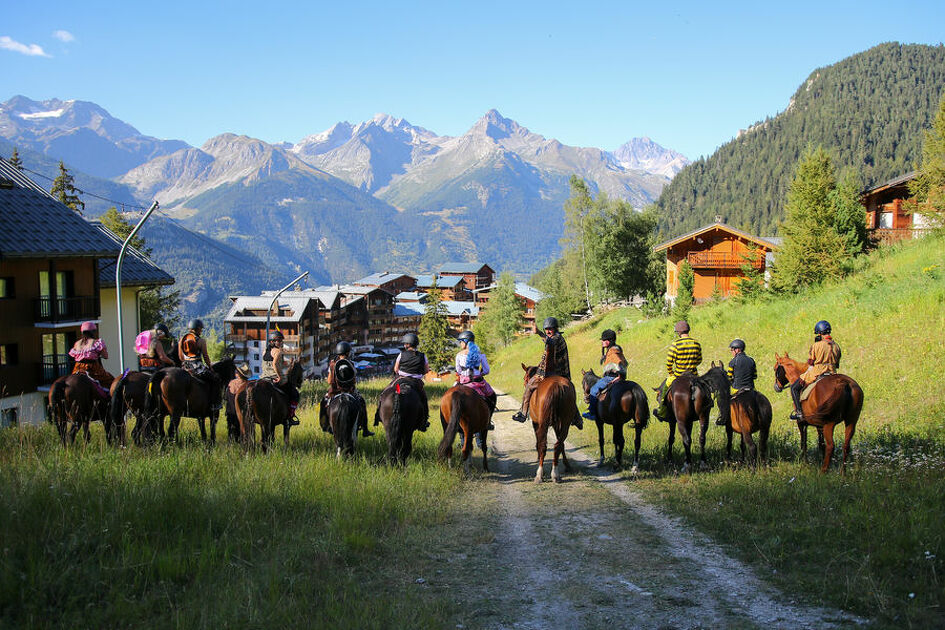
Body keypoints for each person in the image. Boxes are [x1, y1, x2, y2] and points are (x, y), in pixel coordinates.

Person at [511, 317, 582, 429]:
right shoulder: (555, 337)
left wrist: (539, 333)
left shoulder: (557, 338)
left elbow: (550, 342)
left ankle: (523, 413)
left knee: (529, 385)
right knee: (569, 391)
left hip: (552, 373)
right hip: (563, 374)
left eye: (551, 329)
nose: (548, 331)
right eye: (546, 329)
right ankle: (577, 417)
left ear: (556, 329)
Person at [790, 320, 842, 421]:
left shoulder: (816, 345)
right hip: (832, 373)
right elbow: (837, 364)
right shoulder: (837, 346)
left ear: (820, 333)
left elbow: (811, 362)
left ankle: (799, 413)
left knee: (794, 388)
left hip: (818, 372)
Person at [320, 340, 374, 437]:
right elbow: (354, 380)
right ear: (348, 352)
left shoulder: (332, 364)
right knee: (361, 402)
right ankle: (365, 429)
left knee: (324, 402)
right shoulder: (351, 363)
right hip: (350, 390)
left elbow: (329, 381)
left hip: (335, 391)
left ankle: (325, 425)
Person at [653, 320, 703, 422]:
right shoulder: (696, 343)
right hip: (694, 375)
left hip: (678, 375)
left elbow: (669, 362)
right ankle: (707, 405)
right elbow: (699, 360)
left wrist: (671, 373)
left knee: (665, 388)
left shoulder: (675, 344)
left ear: (679, 332)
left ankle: (662, 411)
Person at [582, 329, 628, 422]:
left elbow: (618, 362)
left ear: (609, 341)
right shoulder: (615, 348)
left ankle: (593, 413)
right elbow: (625, 362)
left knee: (594, 390)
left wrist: (620, 375)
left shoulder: (612, 351)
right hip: (615, 376)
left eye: (604, 340)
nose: (602, 342)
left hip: (611, 377)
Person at [455, 330, 496, 429]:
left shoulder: (459, 355)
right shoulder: (480, 354)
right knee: (492, 396)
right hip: (478, 383)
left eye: (461, 341)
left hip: (463, 383)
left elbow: (458, 370)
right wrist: (480, 373)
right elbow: (487, 370)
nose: (460, 343)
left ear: (465, 342)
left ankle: (454, 423)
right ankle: (488, 421)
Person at [389, 332, 431, 431]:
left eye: (405, 343)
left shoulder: (401, 354)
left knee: (387, 391)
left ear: (408, 344)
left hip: (400, 380)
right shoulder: (422, 356)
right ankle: (424, 420)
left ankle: (378, 413)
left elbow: (396, 369)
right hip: (416, 382)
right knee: (423, 399)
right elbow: (426, 370)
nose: (404, 345)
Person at [261, 330, 300, 426]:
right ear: (272, 341)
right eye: (278, 341)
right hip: (275, 378)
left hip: (264, 377)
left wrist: (290, 364)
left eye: (281, 340)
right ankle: (290, 415)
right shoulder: (277, 351)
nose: (281, 342)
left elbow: (274, 364)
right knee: (294, 393)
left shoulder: (264, 351)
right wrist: (279, 376)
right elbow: (274, 364)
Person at [68, 321, 115, 397]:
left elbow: (73, 356)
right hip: (92, 367)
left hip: (78, 368)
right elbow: (105, 356)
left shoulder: (77, 343)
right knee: (110, 381)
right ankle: (108, 396)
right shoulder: (97, 342)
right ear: (93, 332)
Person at [723, 338, 757, 426]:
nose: (732, 352)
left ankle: (723, 418)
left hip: (737, 390)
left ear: (737, 350)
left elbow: (729, 378)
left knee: (725, 404)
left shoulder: (733, 362)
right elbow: (755, 376)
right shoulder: (751, 360)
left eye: (732, 350)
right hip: (750, 389)